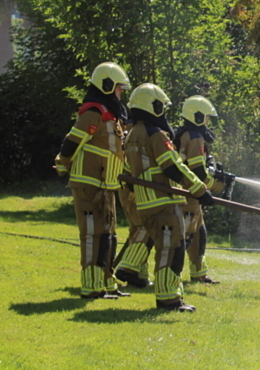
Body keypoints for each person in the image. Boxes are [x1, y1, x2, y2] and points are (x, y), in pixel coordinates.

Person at [124, 83, 214, 312]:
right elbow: (172, 165)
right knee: (171, 250)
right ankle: (169, 299)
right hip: (164, 200)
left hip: (145, 202)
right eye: (160, 106)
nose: (162, 110)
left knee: (159, 245)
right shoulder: (156, 134)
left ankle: (132, 269)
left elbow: (128, 172)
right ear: (151, 106)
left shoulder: (132, 133)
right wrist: (199, 189)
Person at [54, 62, 132, 299]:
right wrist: (62, 163)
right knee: (92, 234)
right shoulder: (94, 111)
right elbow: (73, 140)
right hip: (88, 183)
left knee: (107, 234)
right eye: (118, 88)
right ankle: (91, 287)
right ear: (107, 86)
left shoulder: (112, 115)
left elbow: (117, 151)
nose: (120, 93)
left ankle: (107, 283)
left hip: (107, 184)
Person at [175, 95, 228, 285]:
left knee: (199, 233)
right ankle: (173, 276)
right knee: (186, 236)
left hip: (190, 193)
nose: (207, 122)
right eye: (206, 117)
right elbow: (197, 170)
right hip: (189, 193)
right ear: (197, 116)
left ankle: (199, 274)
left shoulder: (185, 133)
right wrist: (216, 185)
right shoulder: (195, 137)